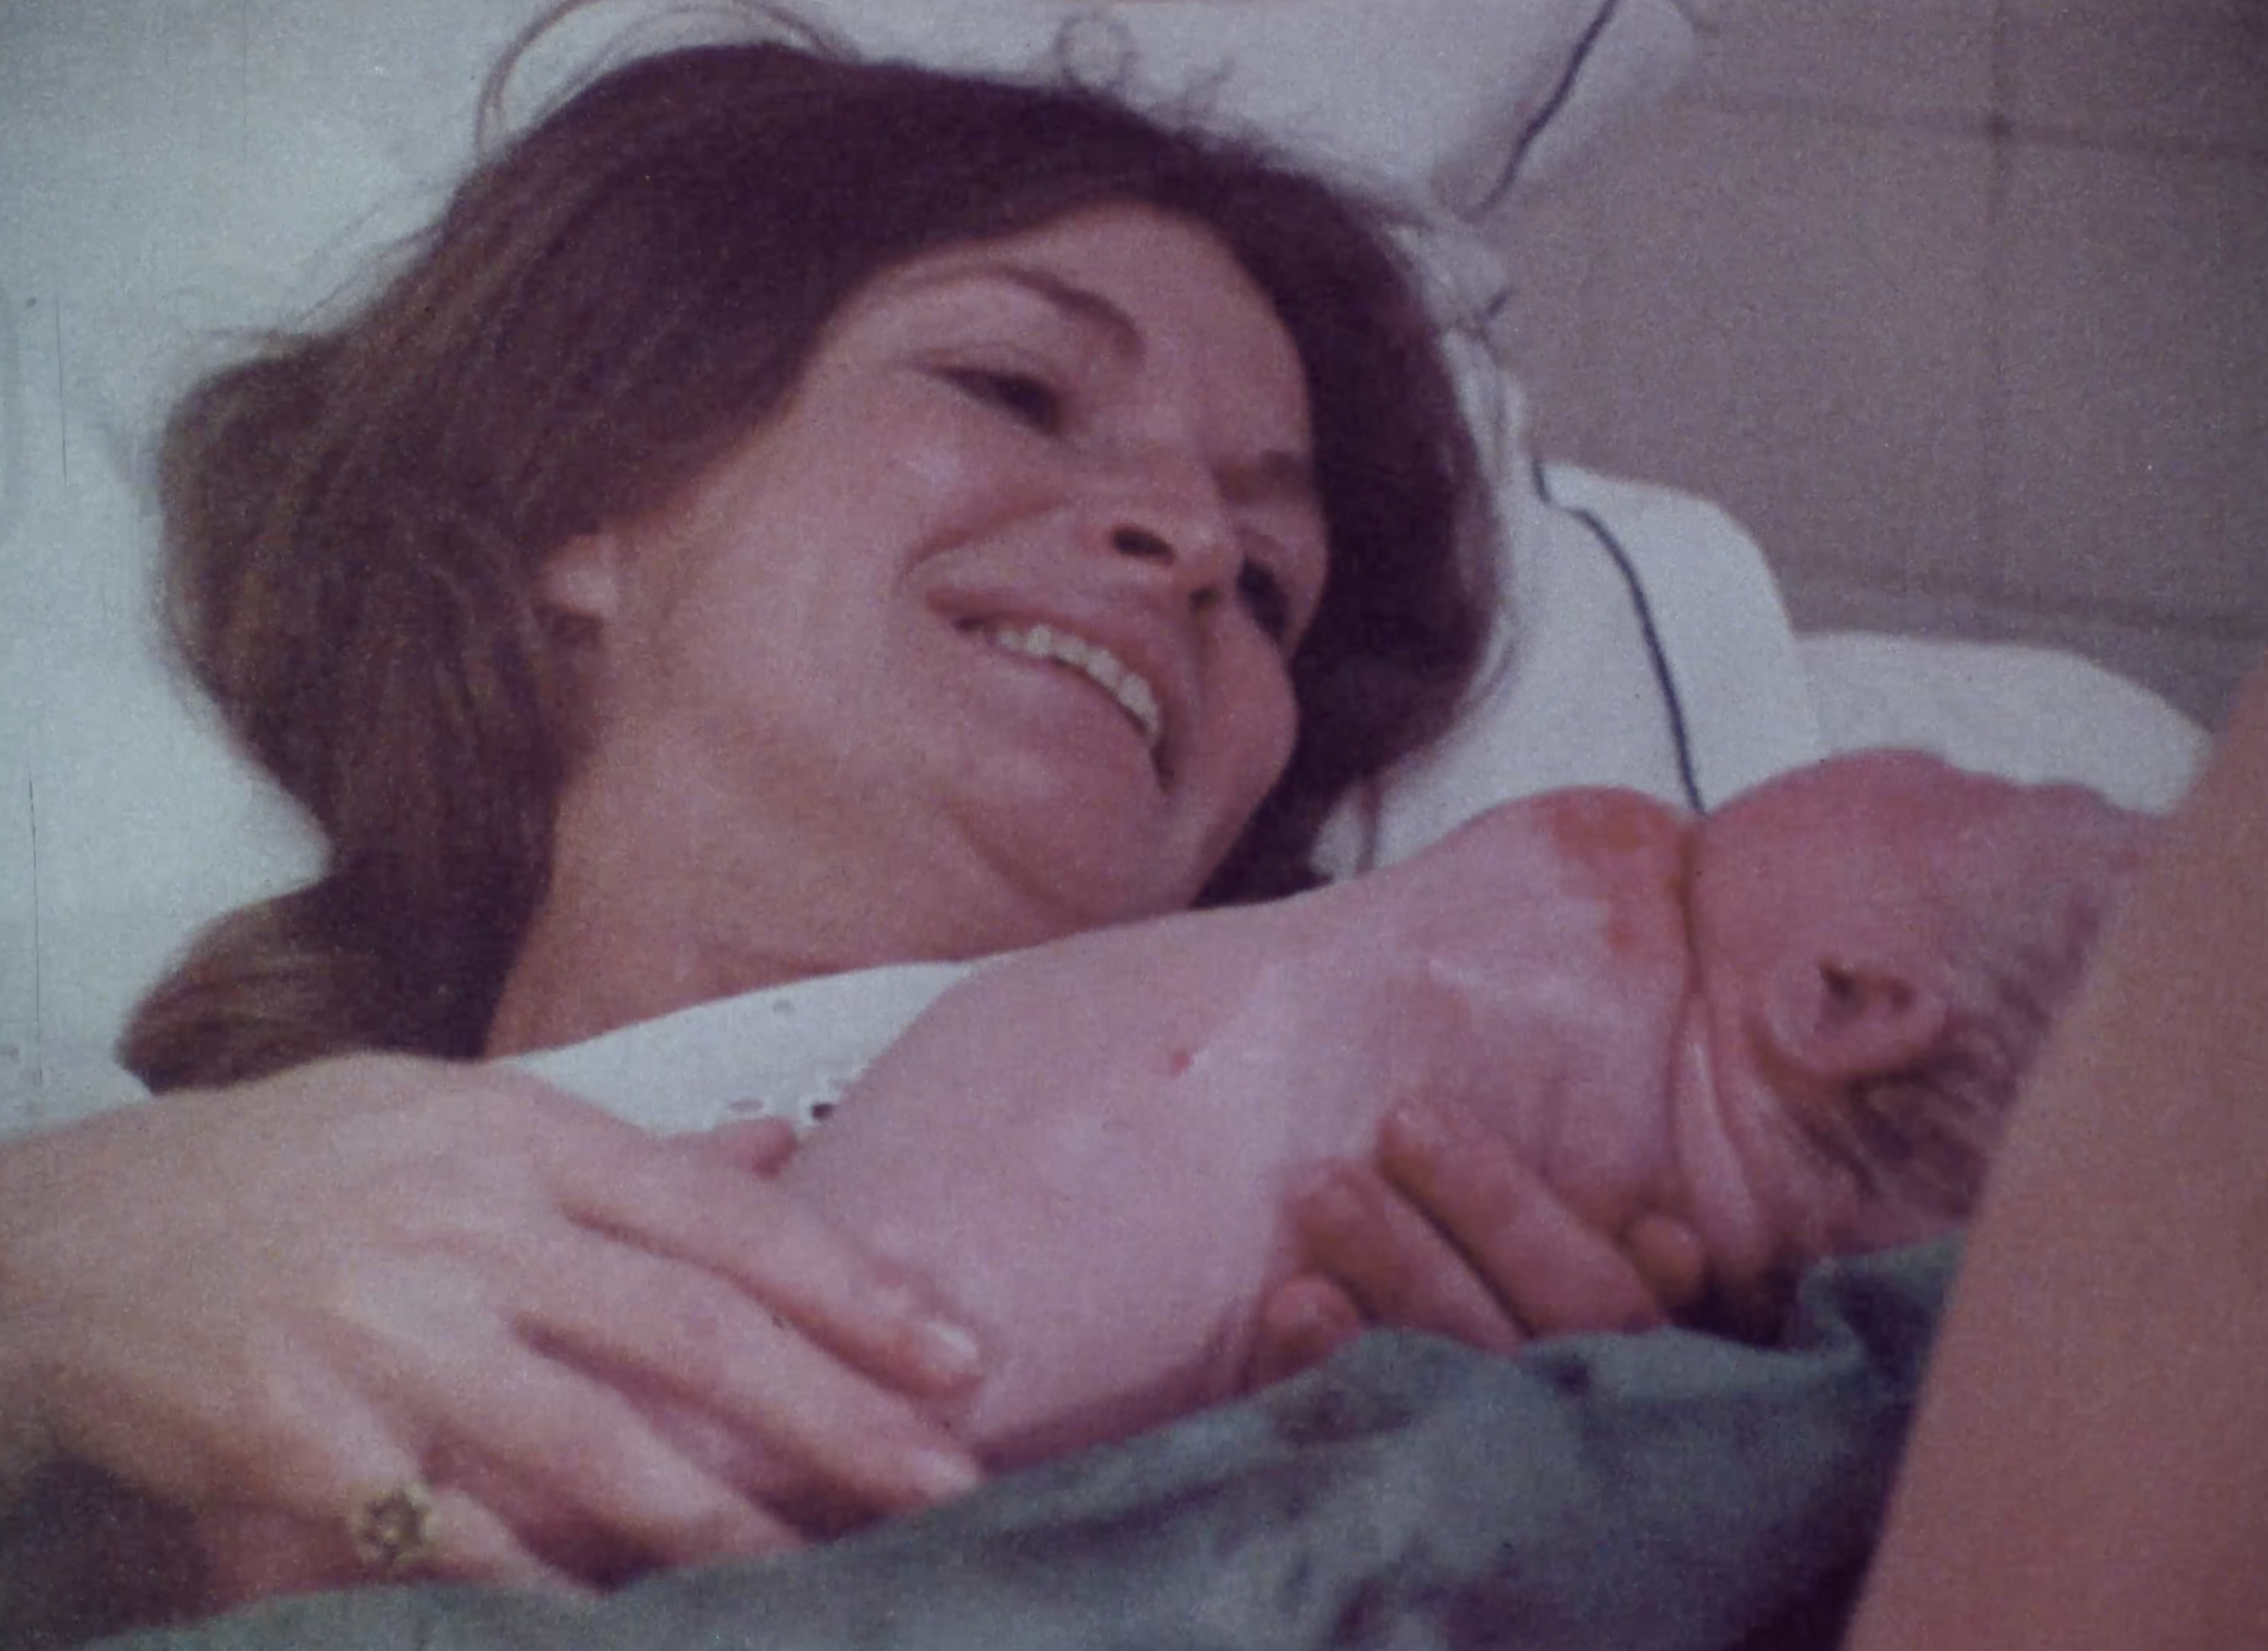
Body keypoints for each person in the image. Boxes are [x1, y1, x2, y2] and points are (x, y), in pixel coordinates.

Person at [0, 33, 1686, 1638]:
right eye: (1015, 389)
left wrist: (1619, 1459)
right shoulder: (97, 1199)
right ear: (580, 501)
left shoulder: (1400, 1251)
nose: (1188, 542)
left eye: (1266, 585)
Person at [542, 750, 2139, 1492]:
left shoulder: (1611, 897)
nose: (1182, 551)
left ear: (1850, 1003)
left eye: (1990, 783)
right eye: (1010, 391)